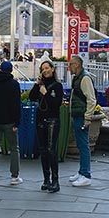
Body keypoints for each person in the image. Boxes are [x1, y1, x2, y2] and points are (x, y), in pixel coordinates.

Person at [29, 61, 64, 192]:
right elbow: (32, 97)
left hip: (52, 119)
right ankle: (46, 179)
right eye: (43, 69)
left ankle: (55, 180)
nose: (45, 71)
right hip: (41, 119)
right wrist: (36, 85)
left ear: (53, 69)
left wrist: (46, 93)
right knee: (43, 150)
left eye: (47, 68)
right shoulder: (40, 85)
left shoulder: (58, 86)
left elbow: (57, 103)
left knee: (51, 149)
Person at [68, 55, 98, 187]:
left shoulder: (84, 78)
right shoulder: (79, 78)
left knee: (83, 145)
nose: (69, 67)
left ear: (77, 65)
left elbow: (91, 99)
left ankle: (86, 174)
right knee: (81, 144)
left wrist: (87, 117)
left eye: (70, 65)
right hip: (78, 114)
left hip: (81, 115)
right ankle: (82, 171)